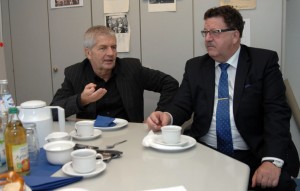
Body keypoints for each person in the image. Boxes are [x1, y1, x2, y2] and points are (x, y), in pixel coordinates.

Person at [146, 5, 299, 191]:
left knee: (279, 184)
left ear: (235, 35)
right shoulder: (195, 67)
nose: (208, 38)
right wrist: (166, 116)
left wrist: (271, 160)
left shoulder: (263, 62)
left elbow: (277, 113)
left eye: (215, 32)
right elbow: (181, 103)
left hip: (253, 152)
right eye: (205, 32)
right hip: (204, 151)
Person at [50, 25, 179, 122]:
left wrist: (159, 114)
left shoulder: (131, 69)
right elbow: (52, 112)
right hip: (93, 139)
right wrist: (81, 100)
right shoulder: (75, 73)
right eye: (103, 48)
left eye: (114, 47)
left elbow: (170, 83)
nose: (111, 53)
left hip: (130, 135)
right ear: (88, 53)